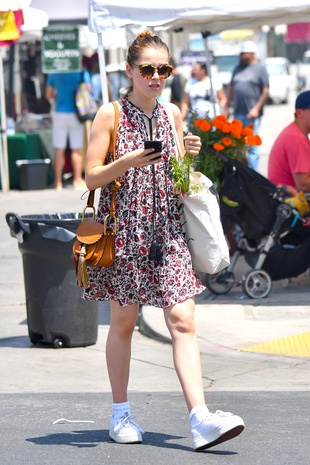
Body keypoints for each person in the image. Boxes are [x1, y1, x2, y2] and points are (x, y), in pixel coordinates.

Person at [83, 30, 244, 451]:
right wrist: (128, 160)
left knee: (183, 321)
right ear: (130, 71)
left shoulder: (172, 113)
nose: (156, 77)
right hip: (126, 233)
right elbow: (91, 177)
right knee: (122, 324)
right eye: (148, 69)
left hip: (168, 233)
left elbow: (177, 182)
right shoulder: (110, 114)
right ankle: (120, 413)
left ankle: (199, 419)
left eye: (163, 70)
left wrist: (187, 155)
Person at [224, 41, 269, 171]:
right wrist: (227, 106)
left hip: (251, 115)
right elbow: (231, 88)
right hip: (238, 113)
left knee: (252, 145)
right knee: (238, 146)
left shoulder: (260, 69)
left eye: (244, 53)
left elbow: (265, 91)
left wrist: (257, 108)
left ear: (251, 54)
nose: (242, 56)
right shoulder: (237, 69)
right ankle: (243, 174)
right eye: (241, 53)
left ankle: (254, 174)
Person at [45, 70, 91, 190]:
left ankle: (58, 181)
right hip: (76, 113)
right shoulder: (81, 72)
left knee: (59, 149)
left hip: (60, 113)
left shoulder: (54, 72)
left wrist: (57, 93)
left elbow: (48, 95)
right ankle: (77, 180)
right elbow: (88, 90)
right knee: (76, 149)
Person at [268, 90, 310, 193]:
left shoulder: (294, 132)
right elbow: (303, 184)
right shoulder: (296, 139)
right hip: (288, 202)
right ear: (299, 113)